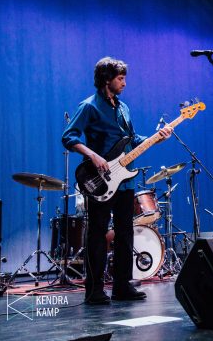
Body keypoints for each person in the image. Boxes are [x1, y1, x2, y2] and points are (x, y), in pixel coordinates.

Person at [62, 57, 172, 305]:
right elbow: (69, 137)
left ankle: (122, 286)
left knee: (125, 233)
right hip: (100, 181)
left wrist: (157, 137)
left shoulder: (124, 108)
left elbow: (132, 139)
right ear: (106, 80)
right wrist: (93, 155)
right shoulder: (89, 106)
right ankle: (94, 291)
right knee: (97, 234)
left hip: (125, 181)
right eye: (120, 78)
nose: (124, 83)